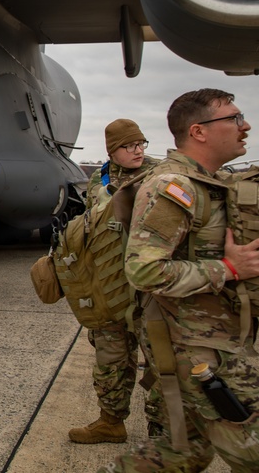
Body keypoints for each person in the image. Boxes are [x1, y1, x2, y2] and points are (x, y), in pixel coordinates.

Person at [102, 89, 259, 472]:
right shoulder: (173, 187)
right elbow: (145, 270)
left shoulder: (207, 182)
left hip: (206, 340)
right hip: (197, 349)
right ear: (199, 131)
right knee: (258, 451)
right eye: (234, 118)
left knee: (181, 452)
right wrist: (229, 269)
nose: (245, 126)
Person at [70, 119, 160, 444]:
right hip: (110, 285)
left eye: (140, 144)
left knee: (161, 363)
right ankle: (111, 421)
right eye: (129, 146)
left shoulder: (160, 175)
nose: (137, 151)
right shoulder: (100, 177)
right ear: (112, 151)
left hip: (150, 288)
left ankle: (162, 433)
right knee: (110, 358)